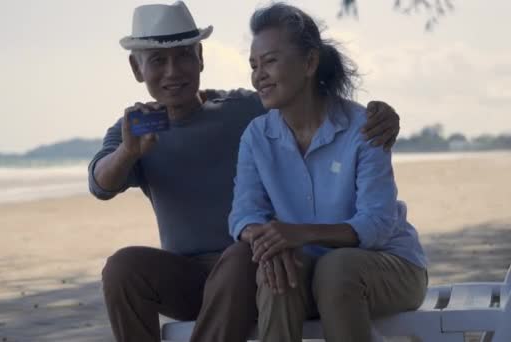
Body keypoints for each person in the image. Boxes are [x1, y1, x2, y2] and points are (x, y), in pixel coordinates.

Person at [89, 1, 401, 341]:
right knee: (121, 268)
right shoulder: (132, 131)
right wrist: (127, 152)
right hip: (188, 276)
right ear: (137, 68)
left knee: (240, 255)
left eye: (184, 56)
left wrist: (382, 114)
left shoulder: (246, 109)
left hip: (257, 263)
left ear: (201, 58)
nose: (172, 72)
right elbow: (100, 183)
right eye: (158, 61)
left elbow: (307, 95)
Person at [228, 3, 428, 342]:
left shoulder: (365, 127)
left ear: (309, 63)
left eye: (271, 61)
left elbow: (376, 225)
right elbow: (244, 213)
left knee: (336, 270)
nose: (258, 74)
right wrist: (269, 242)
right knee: (277, 270)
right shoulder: (256, 136)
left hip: (389, 266)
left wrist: (300, 233)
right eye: (253, 65)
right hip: (308, 270)